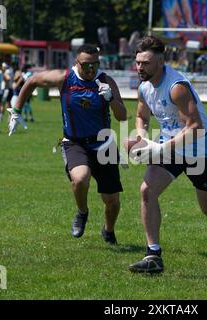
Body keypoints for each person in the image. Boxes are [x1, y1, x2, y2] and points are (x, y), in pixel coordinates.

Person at [128, 36, 207, 274]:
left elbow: (195, 126)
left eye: (145, 63)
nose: (140, 67)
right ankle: (153, 255)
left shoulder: (177, 88)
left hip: (200, 149)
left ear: (161, 61)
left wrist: (159, 149)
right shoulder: (144, 87)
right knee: (147, 191)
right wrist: (140, 137)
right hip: (171, 147)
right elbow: (141, 116)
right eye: (137, 62)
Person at [8, 44, 127, 245]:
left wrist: (111, 98)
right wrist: (17, 109)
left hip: (104, 145)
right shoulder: (65, 79)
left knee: (112, 202)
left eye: (95, 65)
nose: (91, 70)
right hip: (75, 143)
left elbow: (123, 116)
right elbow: (33, 80)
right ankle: (82, 212)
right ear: (76, 63)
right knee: (80, 179)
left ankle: (108, 230)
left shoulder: (106, 81)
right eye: (86, 65)